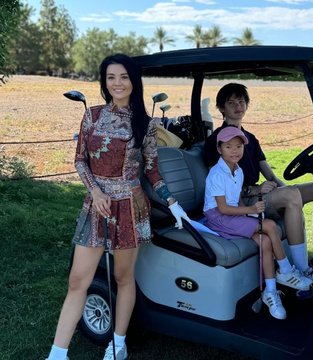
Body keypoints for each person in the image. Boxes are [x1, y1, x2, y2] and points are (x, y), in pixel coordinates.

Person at [46, 54, 190, 360]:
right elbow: (80, 160)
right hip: (96, 206)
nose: (117, 83)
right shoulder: (92, 116)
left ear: (133, 81)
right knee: (77, 280)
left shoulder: (146, 123)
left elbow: (151, 169)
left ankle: (119, 343)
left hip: (130, 207)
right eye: (111, 77)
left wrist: (172, 202)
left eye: (123, 77)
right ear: (104, 81)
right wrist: (95, 191)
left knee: (124, 278)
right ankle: (58, 354)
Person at [203, 83, 313, 282]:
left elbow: (270, 175)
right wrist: (254, 189)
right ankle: (301, 270)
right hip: (240, 202)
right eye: (231, 103)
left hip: (259, 194)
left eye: (241, 102)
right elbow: (221, 183)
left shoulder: (250, 140)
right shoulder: (217, 142)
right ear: (222, 108)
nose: (238, 106)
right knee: (291, 196)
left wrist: (284, 187)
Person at [203, 126, 312, 319]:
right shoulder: (217, 174)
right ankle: (286, 270)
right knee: (269, 225)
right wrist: (251, 211)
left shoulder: (238, 170)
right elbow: (222, 208)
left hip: (232, 214)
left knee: (266, 241)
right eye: (228, 147)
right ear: (219, 149)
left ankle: (269, 292)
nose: (235, 151)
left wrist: (249, 215)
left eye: (239, 146)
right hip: (217, 218)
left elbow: (236, 200)